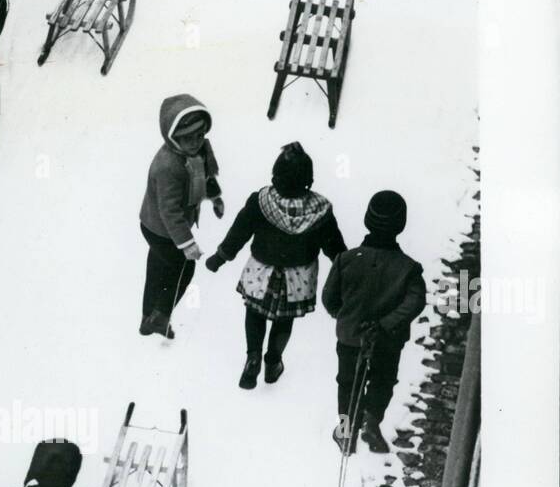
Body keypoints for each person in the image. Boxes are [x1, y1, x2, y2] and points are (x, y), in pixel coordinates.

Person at [206, 142, 345, 389]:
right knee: (284, 320)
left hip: (262, 271)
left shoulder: (261, 201)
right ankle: (273, 362)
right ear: (308, 180)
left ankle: (253, 357)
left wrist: (220, 256)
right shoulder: (320, 211)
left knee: (254, 312)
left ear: (275, 176)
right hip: (299, 278)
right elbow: (334, 247)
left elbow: (239, 232)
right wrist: (346, 270)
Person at [322, 190, 427, 454]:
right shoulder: (408, 268)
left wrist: (345, 316)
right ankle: (371, 420)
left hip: (350, 337)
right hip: (387, 340)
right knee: (383, 380)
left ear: (367, 219)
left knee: (347, 384)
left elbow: (329, 299)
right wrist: (385, 324)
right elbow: (415, 302)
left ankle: (346, 432)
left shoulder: (346, 260)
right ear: (400, 225)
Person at [139, 93, 224, 340]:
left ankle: (148, 317)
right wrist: (188, 245)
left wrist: (215, 197)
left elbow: (205, 176)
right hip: (160, 228)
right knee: (184, 269)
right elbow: (170, 211)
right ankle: (160, 317)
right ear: (172, 137)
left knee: (157, 267)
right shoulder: (167, 166)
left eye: (199, 135)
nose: (195, 142)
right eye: (187, 139)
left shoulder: (199, 150)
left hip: (164, 226)